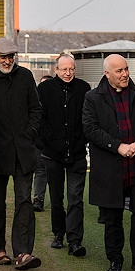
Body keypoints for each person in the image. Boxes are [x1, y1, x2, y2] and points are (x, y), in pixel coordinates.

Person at [82, 54, 135, 271]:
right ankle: (115, 259)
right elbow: (90, 129)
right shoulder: (92, 98)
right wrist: (117, 146)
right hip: (110, 169)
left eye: (126, 69)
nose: (125, 74)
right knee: (112, 218)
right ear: (107, 74)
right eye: (119, 71)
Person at [0, 37, 43, 270]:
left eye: (10, 57)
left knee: (24, 201)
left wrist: (29, 134)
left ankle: (23, 253)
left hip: (23, 151)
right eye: (2, 57)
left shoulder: (26, 76)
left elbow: (36, 110)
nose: (7, 61)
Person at [37, 54, 90, 255]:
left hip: (76, 154)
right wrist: (50, 141)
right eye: (64, 69)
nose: (68, 73)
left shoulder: (84, 89)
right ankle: (59, 234)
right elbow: (38, 119)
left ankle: (75, 240)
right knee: (57, 198)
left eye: (71, 69)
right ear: (56, 70)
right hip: (53, 155)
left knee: (75, 198)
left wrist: (81, 139)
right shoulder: (44, 90)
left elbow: (88, 118)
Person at [33, 74, 54, 212]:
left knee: (53, 174)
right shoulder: (35, 105)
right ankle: (38, 199)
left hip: (54, 145)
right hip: (39, 144)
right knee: (41, 171)